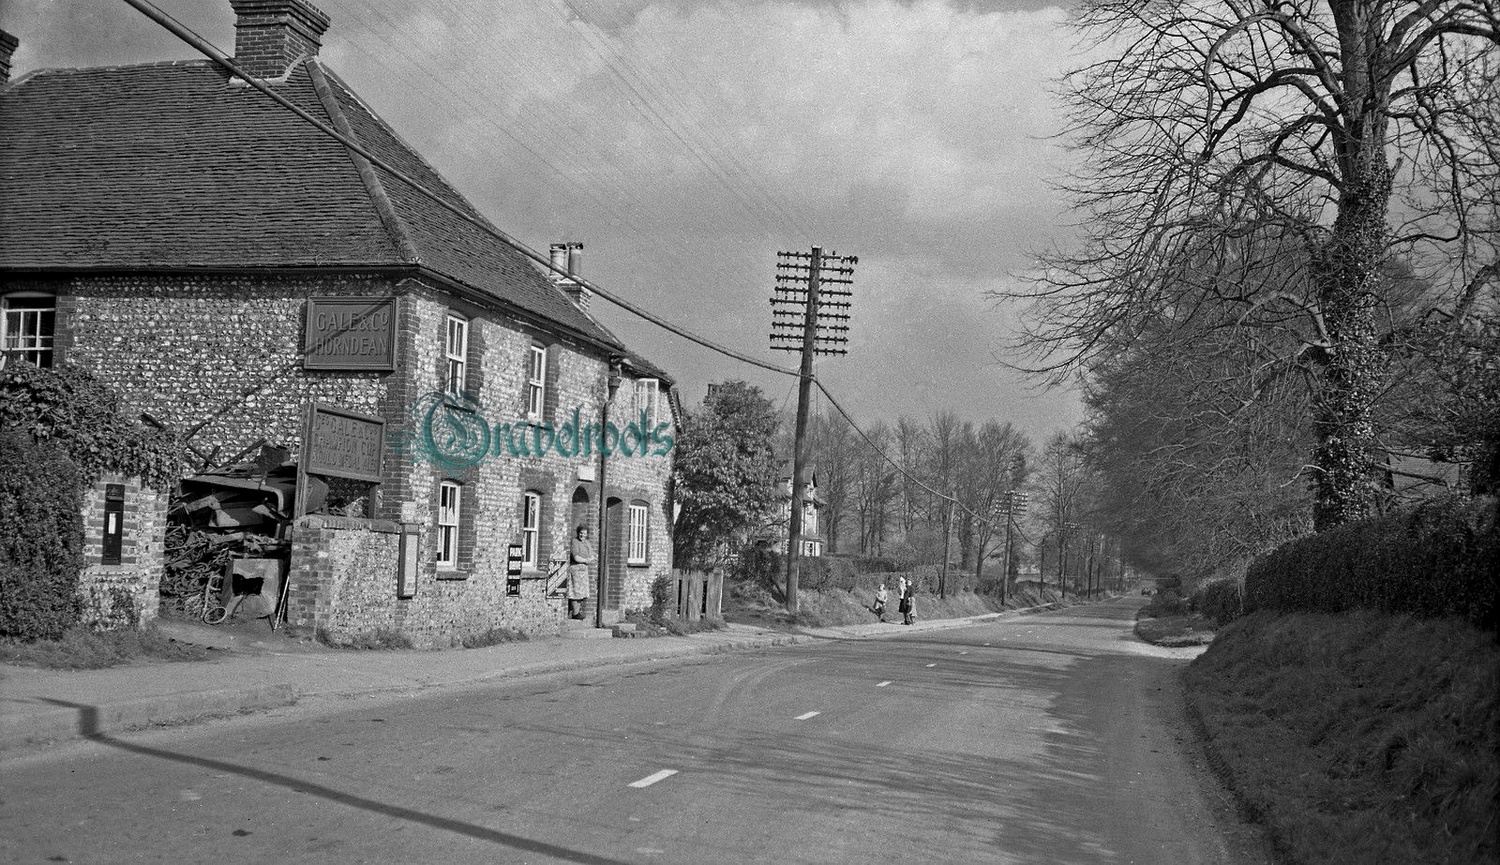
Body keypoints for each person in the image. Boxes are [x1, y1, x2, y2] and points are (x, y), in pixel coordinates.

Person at [567, 525, 595, 620]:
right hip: (576, 569)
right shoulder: (575, 542)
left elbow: (592, 555)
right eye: (581, 533)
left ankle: (578, 611)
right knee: (576, 591)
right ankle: (575, 613)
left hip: (584, 570)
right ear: (578, 533)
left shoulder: (587, 543)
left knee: (582, 592)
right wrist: (585, 560)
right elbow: (576, 557)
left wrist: (589, 559)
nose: (582, 535)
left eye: (584, 533)